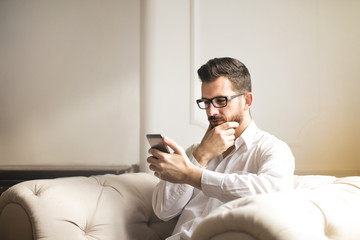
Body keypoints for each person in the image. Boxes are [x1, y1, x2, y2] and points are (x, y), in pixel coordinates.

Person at [147, 57, 295, 240]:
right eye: (206, 102)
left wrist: (193, 175)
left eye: (220, 101)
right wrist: (200, 157)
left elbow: (272, 193)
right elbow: (163, 211)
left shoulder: (272, 149)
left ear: (247, 101)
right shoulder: (196, 151)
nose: (211, 112)